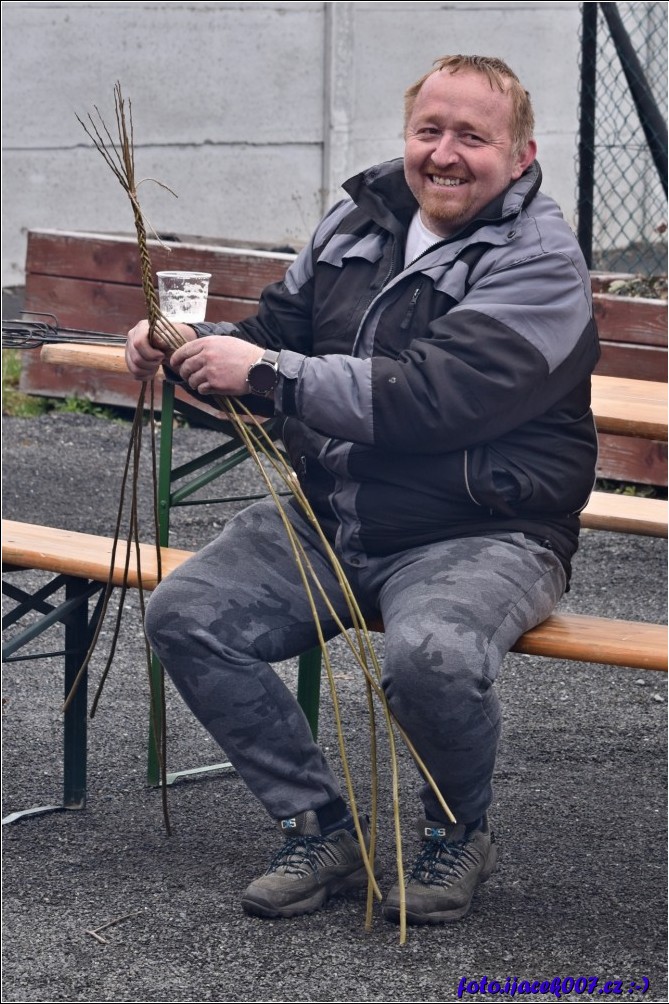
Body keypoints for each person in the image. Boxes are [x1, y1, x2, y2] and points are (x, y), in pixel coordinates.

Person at [126, 54, 599, 926]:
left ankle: (458, 834)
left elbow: (427, 396)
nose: (446, 153)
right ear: (407, 135)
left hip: (483, 531)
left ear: (522, 156)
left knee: (431, 656)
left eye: (473, 137)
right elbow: (277, 333)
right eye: (430, 130)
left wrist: (263, 368)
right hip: (333, 510)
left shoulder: (540, 263)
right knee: (185, 612)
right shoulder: (358, 221)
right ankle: (319, 826)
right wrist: (187, 345)